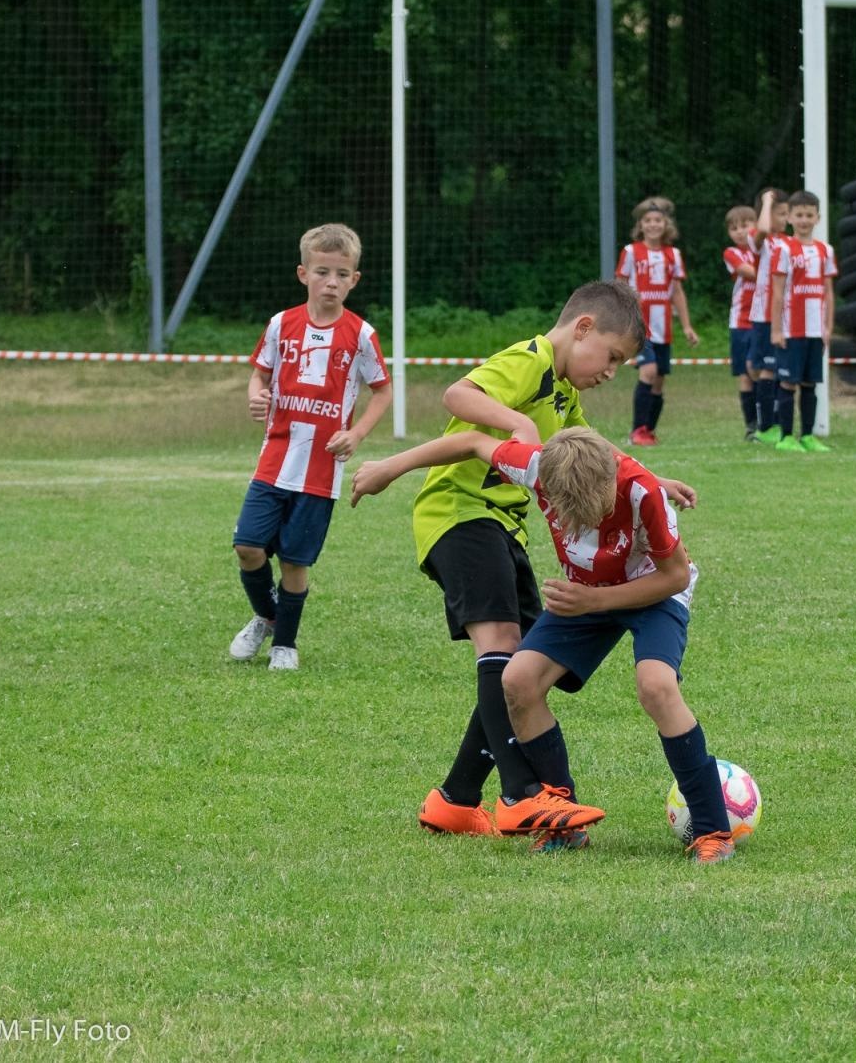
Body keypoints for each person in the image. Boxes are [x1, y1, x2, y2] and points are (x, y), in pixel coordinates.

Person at [350, 280, 696, 849]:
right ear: (582, 326)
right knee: (504, 643)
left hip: (502, 526)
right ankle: (519, 796)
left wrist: (651, 480)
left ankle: (456, 800)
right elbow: (457, 398)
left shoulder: (562, 394)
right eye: (611, 356)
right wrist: (400, 463)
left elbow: (588, 455)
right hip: (460, 513)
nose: (613, 371)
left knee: (523, 670)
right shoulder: (530, 361)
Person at [414, 427, 743, 864]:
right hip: (587, 593)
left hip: (653, 591)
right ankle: (562, 818)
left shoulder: (644, 493)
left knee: (656, 686)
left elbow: (675, 576)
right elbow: (473, 441)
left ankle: (713, 830)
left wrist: (596, 600)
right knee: (518, 680)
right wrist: (391, 468)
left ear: (612, 481)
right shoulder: (537, 467)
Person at [228, 223, 393, 671]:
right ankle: (266, 616)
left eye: (342, 274)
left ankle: (285, 644)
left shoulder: (361, 335)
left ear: (354, 279)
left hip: (321, 470)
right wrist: (254, 393)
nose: (332, 282)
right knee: (248, 545)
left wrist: (356, 434)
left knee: (295, 564)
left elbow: (383, 390)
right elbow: (259, 373)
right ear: (304, 274)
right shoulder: (282, 324)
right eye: (323, 272)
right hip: (275, 459)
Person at [621, 197, 699, 446]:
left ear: (666, 225)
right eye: (648, 221)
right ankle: (637, 430)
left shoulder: (672, 255)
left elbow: (676, 292)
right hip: (640, 326)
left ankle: (649, 430)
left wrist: (686, 326)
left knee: (659, 380)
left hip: (663, 327)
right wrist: (622, 318)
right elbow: (621, 286)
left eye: (658, 220)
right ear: (640, 225)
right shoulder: (631, 252)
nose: (653, 225)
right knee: (649, 371)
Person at [768, 190, 838, 452]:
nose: (804, 220)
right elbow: (777, 291)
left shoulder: (825, 250)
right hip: (791, 328)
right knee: (788, 382)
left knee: (810, 383)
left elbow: (828, 291)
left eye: (809, 215)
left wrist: (828, 327)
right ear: (790, 218)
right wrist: (776, 329)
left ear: (817, 218)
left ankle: (807, 435)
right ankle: (786, 437)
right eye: (799, 215)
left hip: (815, 329)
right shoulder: (784, 248)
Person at [749, 188, 790, 442]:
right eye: (781, 213)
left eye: (787, 214)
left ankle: (777, 422)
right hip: (764, 315)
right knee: (766, 369)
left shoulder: (788, 243)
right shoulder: (761, 241)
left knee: (779, 371)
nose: (785, 218)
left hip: (786, 317)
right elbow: (763, 229)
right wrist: (766, 200)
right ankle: (765, 427)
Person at [722, 204, 760, 441]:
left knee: (761, 370)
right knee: (745, 374)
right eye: (734, 228)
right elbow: (752, 273)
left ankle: (768, 421)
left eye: (745, 225)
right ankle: (751, 425)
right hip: (742, 321)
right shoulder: (732, 253)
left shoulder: (767, 249)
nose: (739, 231)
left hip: (764, 320)